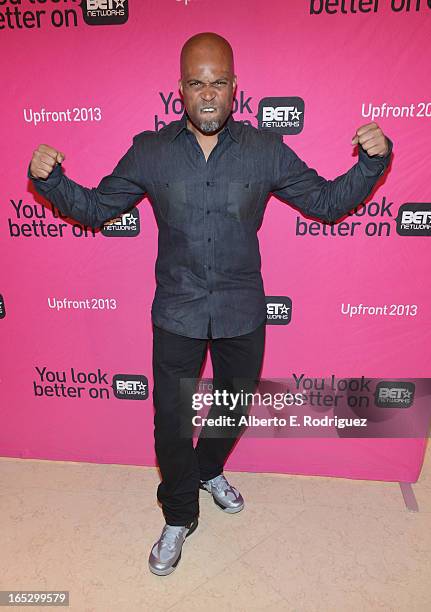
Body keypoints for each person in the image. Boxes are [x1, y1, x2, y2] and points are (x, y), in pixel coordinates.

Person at [28, 32, 393, 576]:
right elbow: (99, 206)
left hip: (242, 309)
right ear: (180, 89)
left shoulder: (265, 150)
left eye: (218, 83)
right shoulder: (150, 152)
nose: (207, 94)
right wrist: (50, 180)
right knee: (171, 422)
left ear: (234, 88)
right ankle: (179, 515)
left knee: (232, 407)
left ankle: (207, 469)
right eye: (197, 83)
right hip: (176, 310)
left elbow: (324, 202)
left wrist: (372, 163)